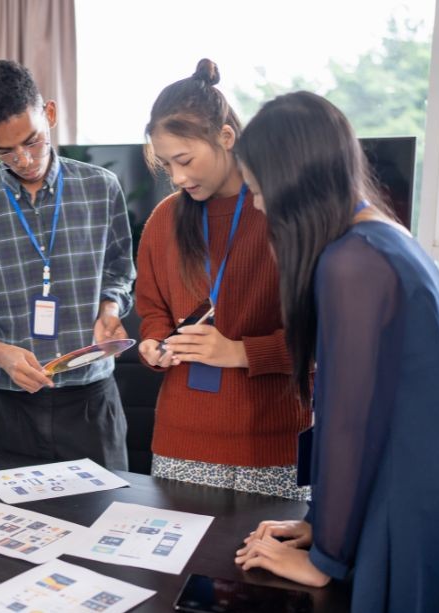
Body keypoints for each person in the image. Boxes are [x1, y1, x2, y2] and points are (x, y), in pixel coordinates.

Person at [234, 91, 439, 612]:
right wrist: (317, 524)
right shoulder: (383, 236)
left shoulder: (352, 263)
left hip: (408, 506)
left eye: (258, 190)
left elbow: (349, 423)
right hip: (424, 493)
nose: (257, 206)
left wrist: (325, 558)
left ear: (293, 186)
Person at [0, 60, 136, 470]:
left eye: (33, 141)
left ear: (51, 115)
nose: (23, 159)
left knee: (107, 521)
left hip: (91, 399)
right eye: (3, 150)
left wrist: (110, 308)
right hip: (12, 406)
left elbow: (119, 272)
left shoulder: (101, 188)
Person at [135, 59, 310, 500]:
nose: (176, 177)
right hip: (180, 442)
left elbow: (322, 339)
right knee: (180, 568)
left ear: (226, 138)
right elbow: (151, 306)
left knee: (262, 567)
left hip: (272, 446)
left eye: (185, 160)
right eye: (166, 165)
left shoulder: (282, 213)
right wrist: (153, 343)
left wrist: (239, 352)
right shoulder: (163, 220)